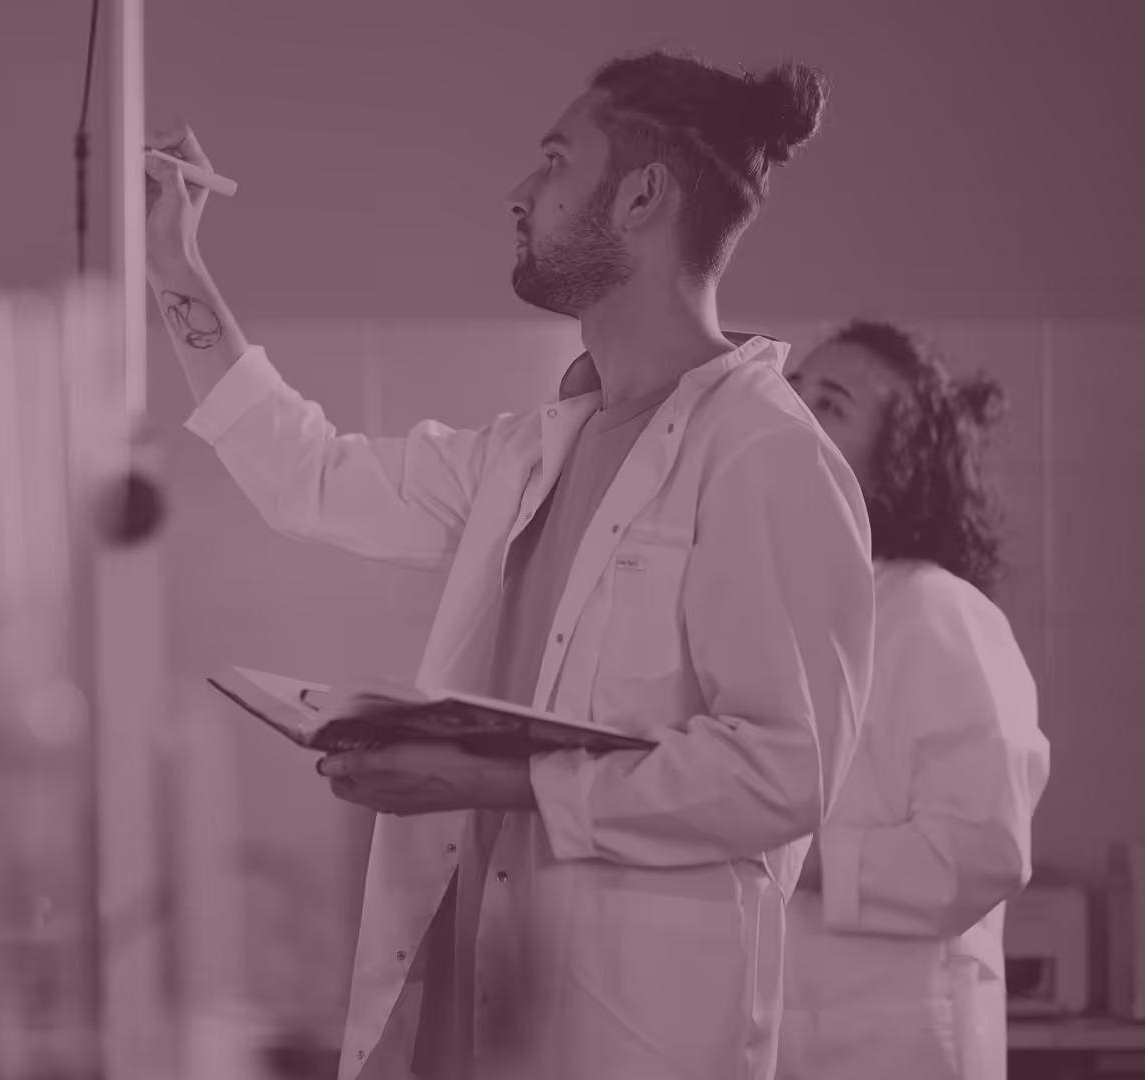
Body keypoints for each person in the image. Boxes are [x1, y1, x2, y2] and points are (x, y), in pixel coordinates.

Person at [147, 50, 875, 1080]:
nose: (517, 192)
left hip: (632, 1033)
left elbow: (782, 772)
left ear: (640, 196)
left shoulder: (766, 455)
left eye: (551, 162)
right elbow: (308, 476)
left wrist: (494, 780)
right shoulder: (539, 448)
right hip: (482, 1010)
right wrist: (177, 269)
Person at [779, 320, 1051, 1080]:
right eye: (791, 390)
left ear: (896, 463)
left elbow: (981, 853)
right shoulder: (782, 611)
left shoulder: (937, 613)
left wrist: (784, 854)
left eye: (830, 404)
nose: (792, 411)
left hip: (902, 1050)